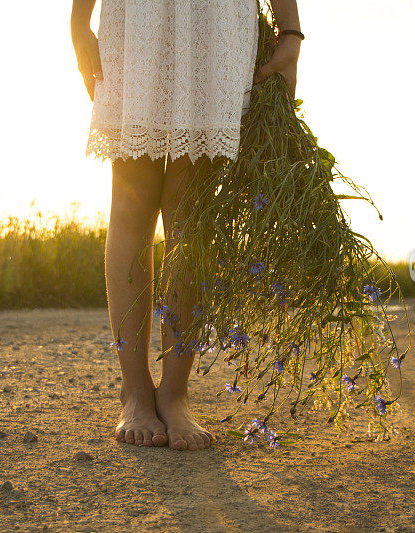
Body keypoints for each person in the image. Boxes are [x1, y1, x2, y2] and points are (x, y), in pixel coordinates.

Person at [70, 0, 301, 451]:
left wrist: (290, 31)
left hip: (215, 17)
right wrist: (79, 21)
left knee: (189, 212)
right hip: (138, 14)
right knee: (133, 199)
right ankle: (135, 389)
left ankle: (175, 392)